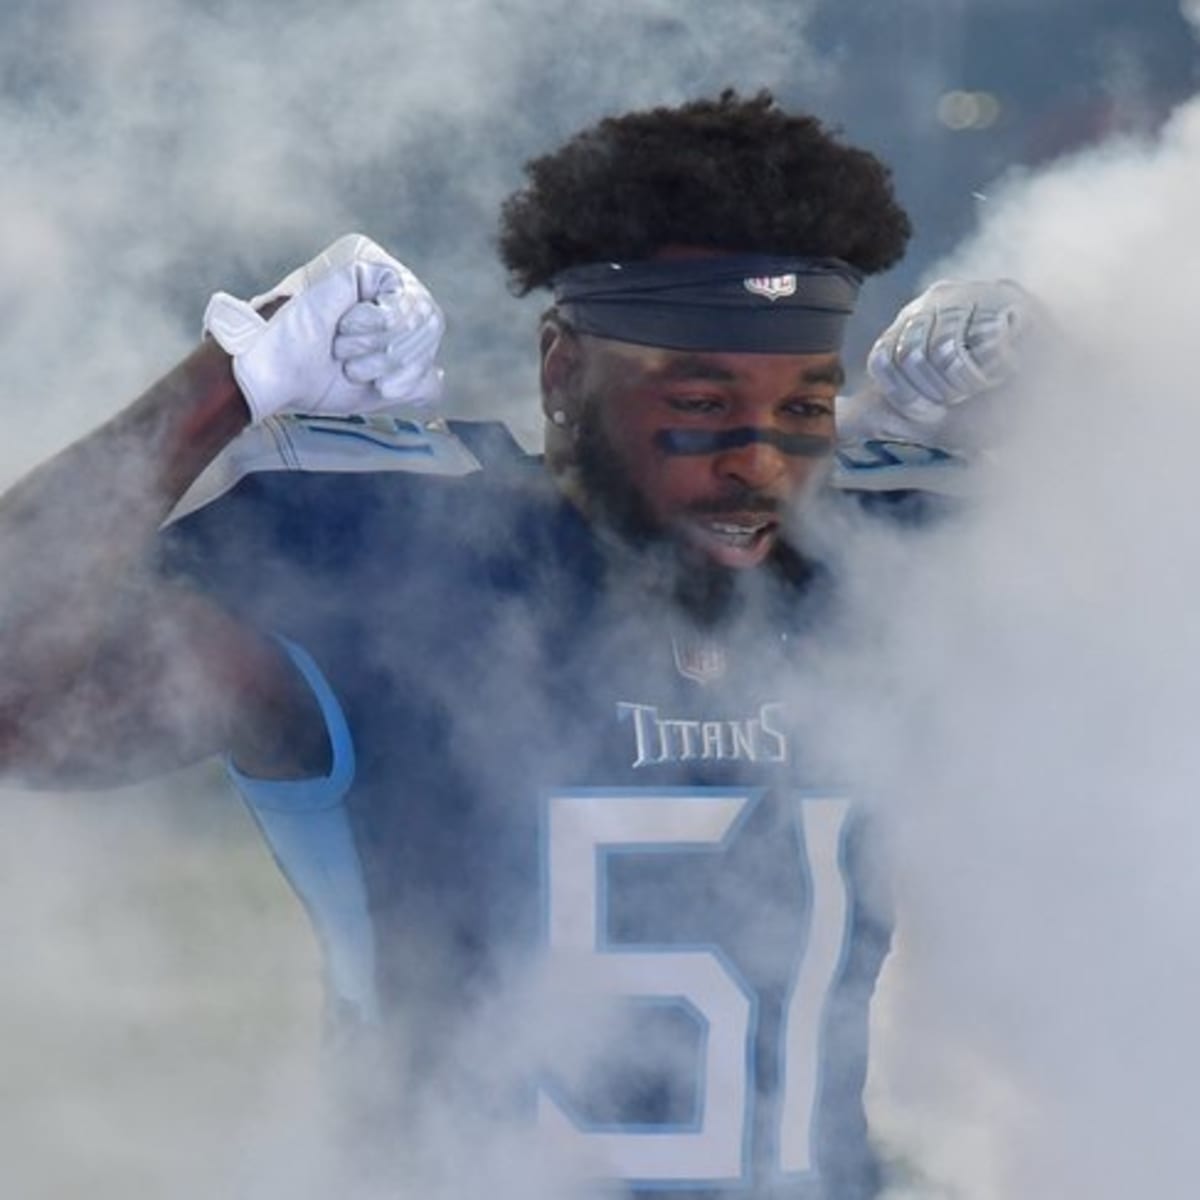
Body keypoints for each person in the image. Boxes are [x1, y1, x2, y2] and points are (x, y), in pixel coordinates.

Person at [0, 92, 1031, 1198]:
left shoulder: (877, 560)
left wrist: (1065, 432)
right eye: (700, 400)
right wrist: (226, 382)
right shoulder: (406, 557)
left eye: (804, 408)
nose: (759, 463)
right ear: (560, 374)